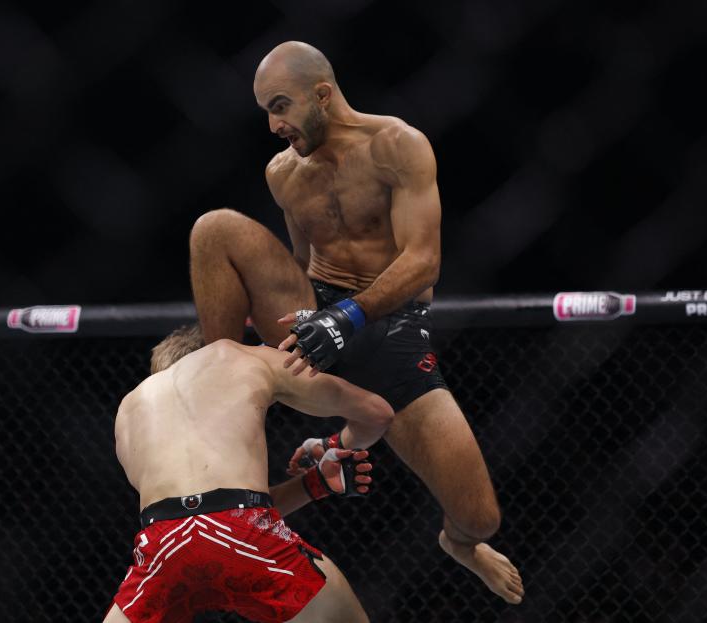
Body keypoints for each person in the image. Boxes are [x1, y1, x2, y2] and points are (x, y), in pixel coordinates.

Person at [189, 41, 524, 604]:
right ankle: (216, 389)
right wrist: (276, 313)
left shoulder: (398, 145)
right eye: (265, 111)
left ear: (322, 94)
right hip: (317, 310)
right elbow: (299, 266)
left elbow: (423, 260)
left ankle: (460, 545)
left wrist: (351, 315)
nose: (273, 125)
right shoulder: (283, 173)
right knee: (214, 229)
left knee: (479, 517)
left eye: (280, 106)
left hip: (391, 329)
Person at [103, 324, 393, 623]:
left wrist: (312, 484)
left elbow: (196, 520)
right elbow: (377, 413)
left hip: (164, 542)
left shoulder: (128, 409)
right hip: (243, 530)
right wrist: (335, 444)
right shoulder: (238, 355)